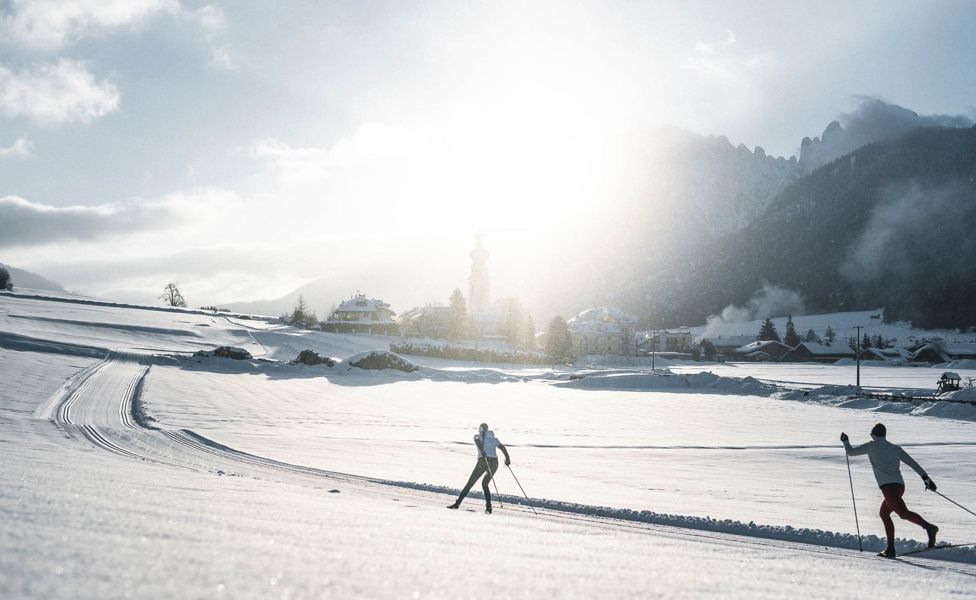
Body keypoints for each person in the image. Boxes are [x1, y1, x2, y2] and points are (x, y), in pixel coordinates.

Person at [841, 423, 939, 557]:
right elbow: (913, 463)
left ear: (874, 435)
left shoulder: (871, 446)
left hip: (888, 488)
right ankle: (890, 548)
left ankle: (929, 528)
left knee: (903, 513)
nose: (871, 437)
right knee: (884, 514)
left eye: (871, 435)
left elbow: (850, 452)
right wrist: (927, 480)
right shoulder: (895, 448)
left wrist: (845, 441)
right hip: (900, 487)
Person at [447, 423, 511, 514]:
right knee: (485, 484)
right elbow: (502, 448)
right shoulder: (491, 439)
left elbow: (479, 442)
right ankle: (488, 508)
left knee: (470, 483)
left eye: (480, 429)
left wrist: (482, 451)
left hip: (483, 461)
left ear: (481, 429)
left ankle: (457, 504)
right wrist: (507, 458)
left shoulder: (480, 436)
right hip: (494, 463)